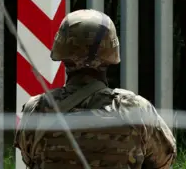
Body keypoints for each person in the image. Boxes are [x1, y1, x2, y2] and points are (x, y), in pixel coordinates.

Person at [14, 9, 176, 169]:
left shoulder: (37, 108)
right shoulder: (135, 110)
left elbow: (28, 158)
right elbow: (164, 160)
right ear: (111, 53)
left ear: (62, 51)